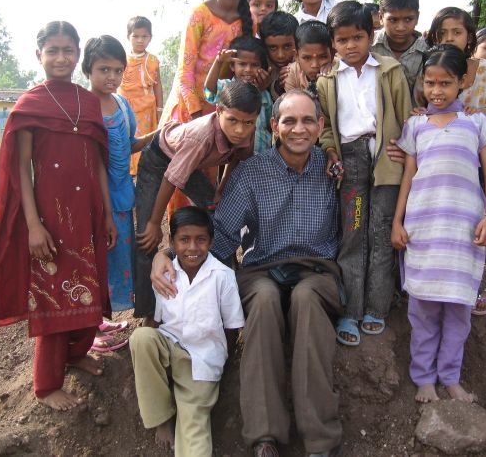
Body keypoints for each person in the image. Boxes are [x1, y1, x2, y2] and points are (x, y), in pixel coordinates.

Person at [151, 91, 344, 457]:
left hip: (318, 270)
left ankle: (320, 439)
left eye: (307, 121)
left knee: (305, 298)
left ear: (320, 127)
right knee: (266, 301)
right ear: (274, 127)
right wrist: (169, 254)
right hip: (263, 270)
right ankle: (264, 436)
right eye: (288, 121)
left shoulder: (333, 169)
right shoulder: (252, 172)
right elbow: (222, 234)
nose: (298, 129)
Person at [0, 21, 116, 410]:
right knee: (54, 300)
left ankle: (75, 355)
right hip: (51, 220)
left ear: (78, 55)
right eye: (52, 50)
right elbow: (22, 169)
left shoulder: (87, 101)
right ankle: (45, 384)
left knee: (91, 297)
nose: (61, 57)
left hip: (88, 215)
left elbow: (99, 163)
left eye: (68, 50)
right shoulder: (30, 104)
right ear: (38, 55)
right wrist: (34, 226)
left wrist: (107, 213)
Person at [391, 45, 486, 404]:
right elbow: (408, 176)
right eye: (430, 83)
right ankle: (423, 379)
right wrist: (397, 222)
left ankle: (450, 377)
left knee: (458, 312)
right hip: (424, 232)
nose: (436, 91)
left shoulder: (476, 123)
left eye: (445, 83)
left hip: (464, 232)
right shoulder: (416, 124)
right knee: (422, 311)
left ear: (462, 83)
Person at [317, 1, 412, 346]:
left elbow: (407, 119)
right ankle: (350, 309)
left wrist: (404, 148)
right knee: (354, 231)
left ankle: (377, 307)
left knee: (381, 231)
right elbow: (325, 127)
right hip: (351, 161)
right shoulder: (327, 79)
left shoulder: (389, 70)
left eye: (357, 37)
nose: (350, 46)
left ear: (371, 36)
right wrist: (330, 152)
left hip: (387, 159)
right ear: (333, 43)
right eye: (342, 40)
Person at [134, 80, 261, 323]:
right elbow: (172, 178)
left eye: (248, 122)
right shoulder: (201, 136)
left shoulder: (246, 131)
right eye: (232, 120)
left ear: (255, 119)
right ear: (219, 111)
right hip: (159, 159)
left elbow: (236, 159)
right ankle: (149, 313)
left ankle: (222, 281)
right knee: (146, 237)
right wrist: (153, 223)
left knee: (219, 216)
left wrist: (220, 190)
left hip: (188, 162)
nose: (239, 130)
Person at [130, 206, 244, 456]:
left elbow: (232, 328)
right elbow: (157, 323)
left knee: (194, 427)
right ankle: (162, 419)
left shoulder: (222, 277)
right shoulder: (166, 275)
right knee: (142, 337)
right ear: (172, 242)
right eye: (184, 240)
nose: (192, 248)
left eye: (201, 239)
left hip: (202, 361)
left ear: (210, 242)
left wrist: (221, 364)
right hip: (170, 348)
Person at [160, 0, 255, 216]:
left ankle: (202, 252)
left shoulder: (249, 21)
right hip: (190, 112)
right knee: (180, 183)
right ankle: (178, 251)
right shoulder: (199, 14)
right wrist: (195, 112)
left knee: (206, 191)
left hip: (222, 114)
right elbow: (184, 70)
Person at [425, 12, 486, 317]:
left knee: (485, 219)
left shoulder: (485, 69)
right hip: (444, 156)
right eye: (443, 32)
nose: (450, 38)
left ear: (468, 36)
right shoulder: (431, 67)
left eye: (456, 32)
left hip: (477, 152)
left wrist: (468, 118)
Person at [84, 35, 156, 351]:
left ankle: (100, 320)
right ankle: (89, 332)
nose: (111, 77)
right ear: (88, 69)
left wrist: (161, 133)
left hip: (123, 196)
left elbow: (129, 146)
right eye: (104, 69)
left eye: (117, 70)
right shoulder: (81, 107)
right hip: (91, 203)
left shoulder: (122, 105)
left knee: (116, 261)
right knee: (93, 263)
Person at [204, 35, 273, 154]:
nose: (248, 69)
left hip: (262, 151)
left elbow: (269, 124)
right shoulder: (228, 87)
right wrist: (219, 61)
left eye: (254, 65)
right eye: (242, 64)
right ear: (232, 66)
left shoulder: (264, 94)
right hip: (235, 156)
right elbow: (209, 91)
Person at [118, 16, 163, 176]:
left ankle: (144, 171)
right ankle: (129, 173)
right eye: (135, 36)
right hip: (125, 108)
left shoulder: (152, 61)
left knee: (144, 142)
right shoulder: (120, 60)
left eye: (144, 36)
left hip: (147, 109)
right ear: (128, 37)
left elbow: (157, 86)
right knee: (127, 140)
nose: (140, 40)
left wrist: (159, 109)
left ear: (150, 37)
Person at [371, 0, 429, 104]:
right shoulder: (369, 46)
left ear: (417, 17)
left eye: (408, 19)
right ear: (381, 17)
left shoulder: (427, 52)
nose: (401, 27)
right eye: (393, 20)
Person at [283, 20, 334, 94]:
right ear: (296, 56)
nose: (315, 65)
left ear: (332, 54)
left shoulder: (340, 70)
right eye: (307, 58)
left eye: (323, 57)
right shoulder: (291, 73)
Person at [258, 10, 298, 97]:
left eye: (287, 46)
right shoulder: (258, 65)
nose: (281, 55)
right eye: (273, 48)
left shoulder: (304, 60)